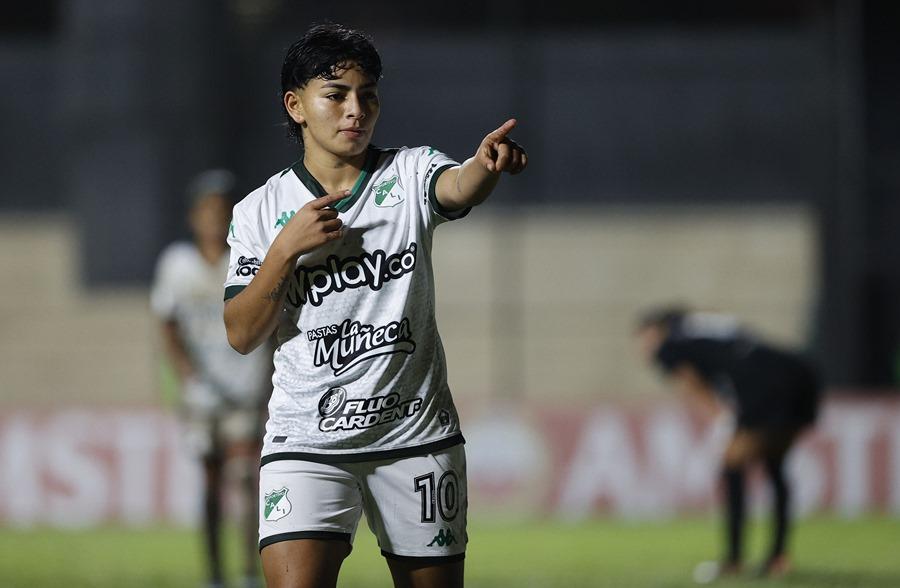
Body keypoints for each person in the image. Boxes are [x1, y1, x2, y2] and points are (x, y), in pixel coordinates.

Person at [222, 22, 527, 588]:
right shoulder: (260, 212)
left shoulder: (408, 173)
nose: (354, 109)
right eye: (335, 95)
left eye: (368, 95)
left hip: (415, 438)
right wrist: (284, 250)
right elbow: (241, 334)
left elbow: (456, 187)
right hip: (306, 441)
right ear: (296, 106)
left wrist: (484, 167)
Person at [636, 306, 821, 582]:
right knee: (775, 464)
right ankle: (778, 558)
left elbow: (692, 384)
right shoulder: (703, 326)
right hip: (799, 371)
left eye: (642, 337)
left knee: (731, 466)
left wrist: (721, 420)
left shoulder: (670, 343)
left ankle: (734, 560)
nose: (641, 346)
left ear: (655, 330)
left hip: (763, 382)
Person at [151, 170, 273, 588]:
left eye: (223, 211)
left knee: (245, 478)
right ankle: (214, 574)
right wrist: (187, 377)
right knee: (209, 481)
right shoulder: (176, 265)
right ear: (193, 217)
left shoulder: (249, 260)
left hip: (245, 387)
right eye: (208, 211)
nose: (216, 219)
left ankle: (247, 573)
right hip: (202, 393)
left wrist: (268, 383)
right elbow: (167, 328)